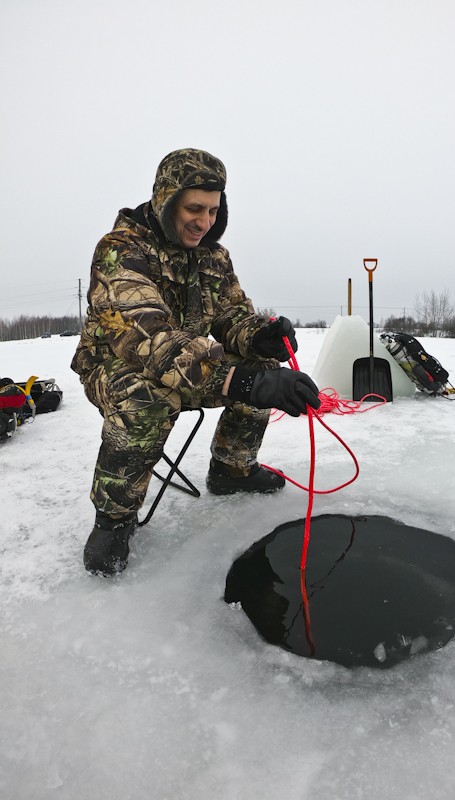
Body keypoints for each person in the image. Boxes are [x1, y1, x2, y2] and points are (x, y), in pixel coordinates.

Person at [71, 148, 320, 577]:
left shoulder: (213, 256)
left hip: (184, 361)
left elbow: (230, 314)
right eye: (193, 208)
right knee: (147, 393)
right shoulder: (120, 250)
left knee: (258, 360)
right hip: (113, 365)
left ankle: (232, 468)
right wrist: (243, 383)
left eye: (212, 210)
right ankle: (114, 517)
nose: (203, 221)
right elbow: (153, 341)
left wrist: (258, 334)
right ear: (165, 199)